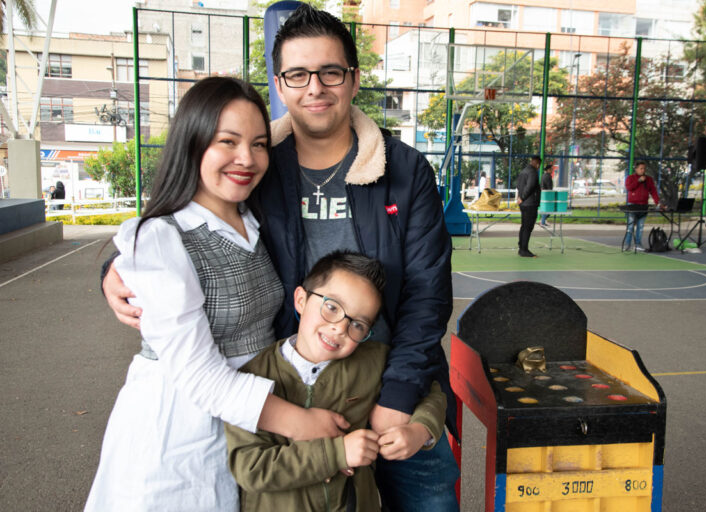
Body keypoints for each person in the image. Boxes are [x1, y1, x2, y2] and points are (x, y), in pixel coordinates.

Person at [102, 4, 460, 510]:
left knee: (426, 498)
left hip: (392, 381)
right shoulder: (257, 164)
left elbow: (427, 292)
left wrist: (398, 397)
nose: (315, 87)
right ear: (280, 83)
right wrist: (114, 270)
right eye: (298, 74)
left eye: (330, 72)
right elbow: (181, 217)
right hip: (294, 390)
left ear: (353, 80)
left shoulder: (404, 169)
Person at [86, 77, 348, 512]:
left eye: (260, 144)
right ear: (193, 143)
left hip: (245, 430)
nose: (247, 158)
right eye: (227, 141)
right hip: (175, 434)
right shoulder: (160, 239)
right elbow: (199, 377)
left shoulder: (256, 221)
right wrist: (302, 423)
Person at [226, 251, 446, 511]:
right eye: (332, 307)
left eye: (358, 324)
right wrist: (338, 453)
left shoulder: (373, 361)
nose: (341, 328)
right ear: (301, 300)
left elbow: (430, 392)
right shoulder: (252, 378)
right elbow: (251, 469)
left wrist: (420, 431)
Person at [623, 160, 663, 251]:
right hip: (633, 205)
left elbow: (653, 191)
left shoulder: (648, 179)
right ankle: (627, 244)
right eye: (641, 168)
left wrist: (658, 202)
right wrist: (638, 181)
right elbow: (629, 187)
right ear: (636, 169)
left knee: (640, 227)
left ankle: (638, 244)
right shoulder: (630, 178)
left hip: (644, 205)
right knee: (630, 226)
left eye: (644, 168)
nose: (642, 170)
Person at [516, 155, 542, 257]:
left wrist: (520, 198)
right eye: (539, 165)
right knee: (528, 227)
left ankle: (521, 247)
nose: (538, 167)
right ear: (537, 163)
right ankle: (524, 249)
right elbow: (530, 186)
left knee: (524, 226)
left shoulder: (523, 171)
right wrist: (523, 197)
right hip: (530, 203)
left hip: (523, 204)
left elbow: (518, 186)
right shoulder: (532, 172)